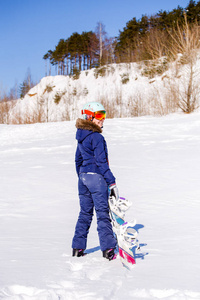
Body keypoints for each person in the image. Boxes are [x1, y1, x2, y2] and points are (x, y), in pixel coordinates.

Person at [72, 102, 119, 260]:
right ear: (89, 116)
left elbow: (78, 160)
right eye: (99, 115)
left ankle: (77, 248)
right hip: (97, 178)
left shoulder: (81, 135)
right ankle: (108, 250)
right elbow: (101, 162)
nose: (102, 119)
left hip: (83, 178)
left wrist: (83, 175)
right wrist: (111, 182)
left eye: (103, 115)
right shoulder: (97, 137)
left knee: (85, 213)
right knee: (102, 214)